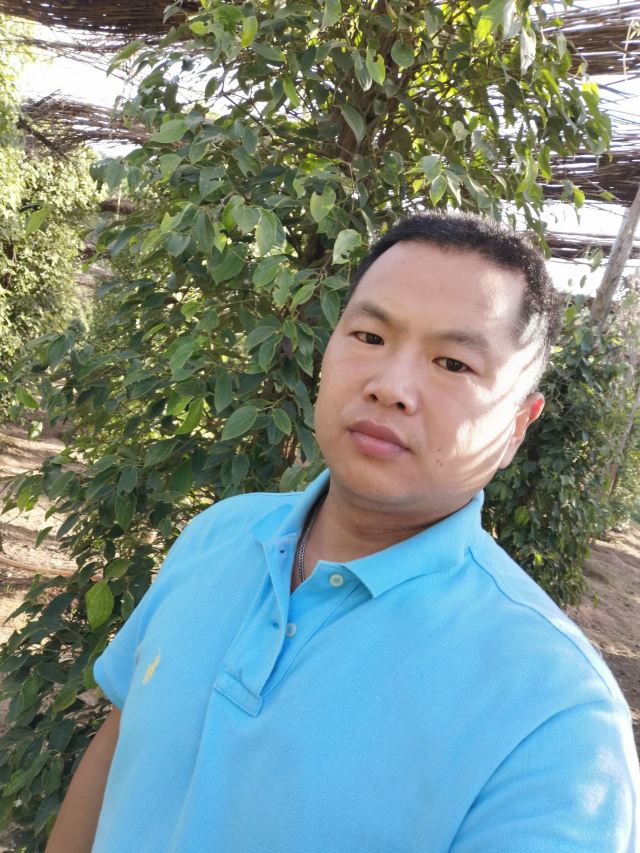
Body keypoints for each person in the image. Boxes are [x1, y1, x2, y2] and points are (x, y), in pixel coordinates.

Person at [47, 212, 639, 853]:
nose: (390, 387)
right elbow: (117, 754)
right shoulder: (219, 534)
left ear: (517, 426)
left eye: (453, 362)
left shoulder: (557, 717)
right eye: (369, 335)